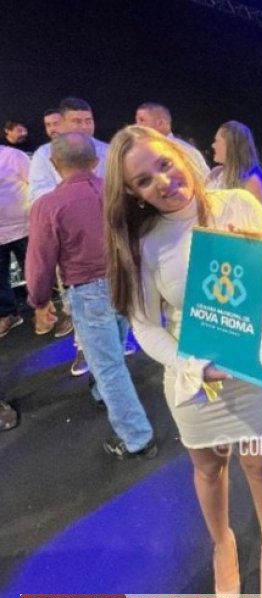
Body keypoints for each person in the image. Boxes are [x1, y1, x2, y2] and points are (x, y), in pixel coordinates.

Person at [103, 125, 262, 598]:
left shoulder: (239, 204)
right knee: (208, 468)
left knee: (261, 464)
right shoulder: (144, 242)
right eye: (143, 180)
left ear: (181, 155)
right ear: (134, 193)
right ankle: (223, 544)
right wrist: (194, 366)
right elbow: (145, 326)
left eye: (163, 164)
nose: (162, 182)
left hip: (252, 365)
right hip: (193, 376)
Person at [25, 132, 156, 460]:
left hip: (88, 291)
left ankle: (136, 438)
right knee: (114, 349)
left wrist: (39, 301)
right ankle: (101, 393)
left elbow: (40, 261)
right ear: (96, 161)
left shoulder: (48, 205)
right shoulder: (119, 194)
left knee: (109, 365)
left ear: (55, 164)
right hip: (127, 281)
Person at [30, 97, 111, 375]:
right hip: (71, 244)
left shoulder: (106, 150)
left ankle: (115, 340)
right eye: (77, 121)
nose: (85, 126)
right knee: (78, 299)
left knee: (118, 297)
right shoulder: (44, 155)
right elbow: (38, 195)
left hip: (109, 239)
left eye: (89, 120)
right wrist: (76, 200)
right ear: (61, 123)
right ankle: (84, 347)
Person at [0, 145, 30, 338]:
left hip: (23, 228)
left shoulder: (13, 156)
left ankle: (48, 310)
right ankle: (8, 314)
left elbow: (35, 184)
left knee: (35, 271)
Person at [134, 102, 210, 177]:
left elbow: (205, 181)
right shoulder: (140, 152)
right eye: (137, 121)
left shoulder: (185, 151)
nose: (137, 126)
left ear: (160, 123)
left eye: (142, 120)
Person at [207, 120, 262, 208]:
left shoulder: (253, 181)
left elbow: (253, 215)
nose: (213, 145)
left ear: (230, 145)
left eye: (217, 141)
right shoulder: (215, 173)